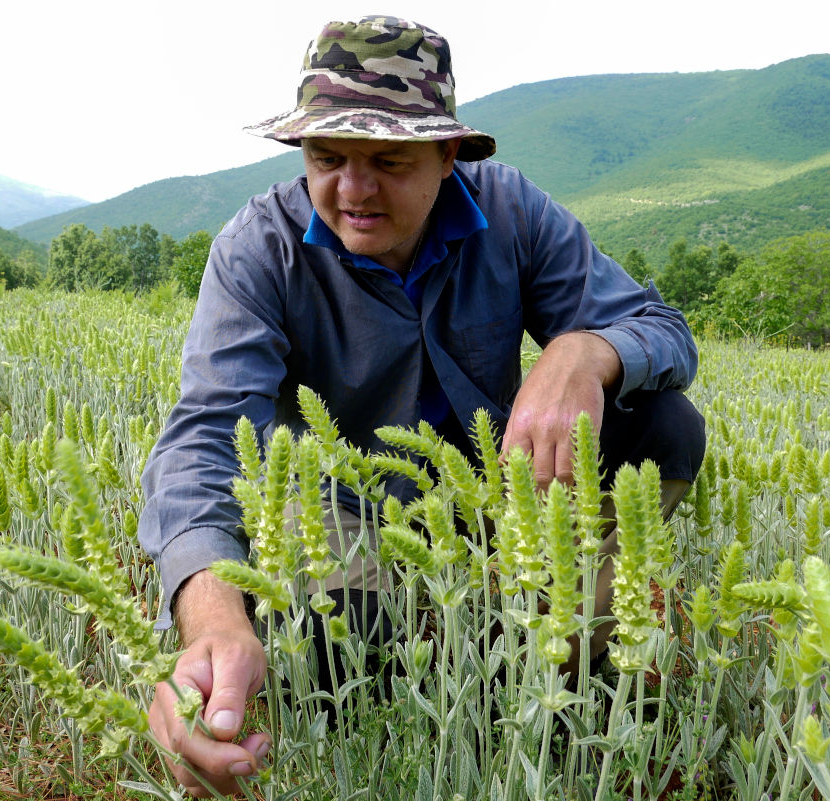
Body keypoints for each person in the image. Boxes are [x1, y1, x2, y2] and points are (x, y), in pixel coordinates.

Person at [138, 15, 705, 796]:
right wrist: (212, 617)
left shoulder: (510, 214)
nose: (351, 189)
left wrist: (586, 352)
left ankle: (565, 642)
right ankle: (456, 654)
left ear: (448, 156)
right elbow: (203, 438)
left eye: (388, 160)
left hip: (503, 502)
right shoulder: (258, 250)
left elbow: (665, 331)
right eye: (327, 157)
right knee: (328, 654)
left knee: (666, 427)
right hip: (347, 517)